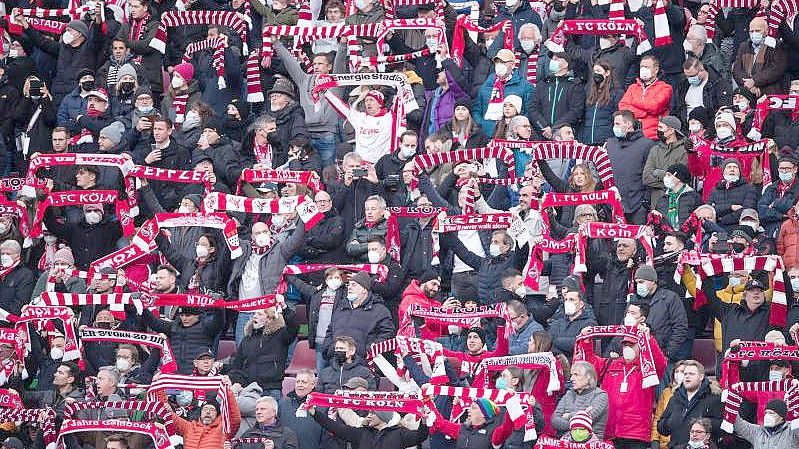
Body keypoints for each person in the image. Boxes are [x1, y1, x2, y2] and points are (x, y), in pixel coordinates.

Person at [577, 321, 667, 449]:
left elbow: (660, 363)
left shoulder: (647, 367)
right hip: (610, 431)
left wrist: (649, 340)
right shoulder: (611, 364)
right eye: (624, 344)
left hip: (635, 433)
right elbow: (590, 365)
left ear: (640, 346)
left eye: (631, 344)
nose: (627, 347)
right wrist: (586, 343)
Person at [227, 306, 298, 401]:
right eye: (255, 313)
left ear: (269, 319)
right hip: (250, 389)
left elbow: (293, 326)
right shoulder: (247, 339)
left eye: (259, 314)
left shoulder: (280, 335)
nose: (254, 316)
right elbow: (237, 365)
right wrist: (222, 368)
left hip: (271, 389)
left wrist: (284, 307)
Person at [308, 400, 429, 449]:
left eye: (373, 413)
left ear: (383, 416)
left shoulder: (400, 433)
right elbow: (336, 428)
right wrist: (314, 413)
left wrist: (424, 421)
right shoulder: (361, 433)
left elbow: (420, 436)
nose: (369, 415)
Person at [657, 360, 723, 448]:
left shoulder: (714, 397)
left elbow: (722, 427)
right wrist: (670, 422)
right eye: (685, 374)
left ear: (701, 376)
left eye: (691, 374)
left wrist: (704, 423)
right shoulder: (675, 398)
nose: (687, 376)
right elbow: (661, 427)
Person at [606, 110, 656, 224]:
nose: (614, 127)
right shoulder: (610, 145)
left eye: (617, 124)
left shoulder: (647, 145)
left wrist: (645, 202)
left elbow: (649, 174)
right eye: (614, 124)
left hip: (637, 207)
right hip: (612, 205)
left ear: (628, 124)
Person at [163, 377, 241, 449]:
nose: (208, 412)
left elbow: (234, 418)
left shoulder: (224, 429)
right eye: (205, 409)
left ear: (217, 415)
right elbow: (172, 418)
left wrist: (228, 391)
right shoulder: (190, 427)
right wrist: (159, 387)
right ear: (200, 414)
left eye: (212, 410)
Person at [473, 49, 534, 137]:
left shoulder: (525, 86)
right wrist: (482, 124)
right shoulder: (487, 85)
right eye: (497, 62)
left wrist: (514, 127)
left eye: (503, 62)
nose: (499, 65)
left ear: (512, 65)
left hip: (511, 135)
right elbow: (476, 109)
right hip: (486, 133)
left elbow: (528, 111)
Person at [529, 52, 585, 140]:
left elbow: (576, 111)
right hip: (541, 134)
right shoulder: (543, 83)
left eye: (556, 59)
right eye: (552, 59)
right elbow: (533, 108)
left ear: (566, 64)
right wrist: (543, 126)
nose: (552, 61)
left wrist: (555, 128)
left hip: (563, 136)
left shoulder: (575, 85)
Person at [618, 55, 673, 140]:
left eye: (646, 67)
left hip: (653, 137)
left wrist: (634, 101)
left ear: (656, 70)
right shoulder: (632, 87)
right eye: (641, 67)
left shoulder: (665, 88)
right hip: (632, 135)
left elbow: (654, 107)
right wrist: (643, 113)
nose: (643, 69)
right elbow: (622, 106)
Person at [552, 361, 609, 440]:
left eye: (576, 375)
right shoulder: (569, 394)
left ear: (588, 377)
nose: (571, 379)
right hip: (565, 443)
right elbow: (554, 421)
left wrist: (568, 415)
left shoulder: (600, 395)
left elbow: (588, 417)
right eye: (572, 375)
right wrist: (578, 422)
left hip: (590, 444)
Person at [732, 17, 787, 96]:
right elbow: (737, 70)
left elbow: (776, 70)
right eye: (751, 31)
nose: (754, 33)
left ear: (766, 31)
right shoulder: (744, 46)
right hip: (748, 91)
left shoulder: (776, 45)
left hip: (769, 91)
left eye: (758, 31)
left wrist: (754, 81)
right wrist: (749, 85)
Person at [643, 116, 690, 210]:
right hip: (656, 203)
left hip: (677, 203)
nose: (658, 130)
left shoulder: (684, 150)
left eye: (661, 127)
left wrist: (658, 173)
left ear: (672, 130)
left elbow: (679, 179)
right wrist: (667, 181)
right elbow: (646, 178)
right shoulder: (654, 149)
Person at [278, 369, 322, 449]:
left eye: (304, 382)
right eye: (298, 382)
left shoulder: (321, 406)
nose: (300, 385)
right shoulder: (283, 404)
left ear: (312, 385)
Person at [757, 157, 799, 238]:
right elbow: (762, 212)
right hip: (771, 231)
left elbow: (794, 209)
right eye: (781, 168)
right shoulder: (771, 188)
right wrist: (781, 215)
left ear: (795, 169)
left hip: (793, 232)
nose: (784, 171)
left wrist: (775, 203)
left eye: (788, 168)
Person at [733, 398, 799, 449]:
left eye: (771, 413)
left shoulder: (792, 430)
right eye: (766, 413)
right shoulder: (758, 431)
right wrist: (730, 401)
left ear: (781, 416)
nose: (767, 416)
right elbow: (739, 425)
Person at [549, 290, 598, 358]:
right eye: (566, 299)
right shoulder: (556, 323)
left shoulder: (590, 323)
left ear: (581, 304)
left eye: (571, 299)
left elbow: (581, 346)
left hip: (578, 364)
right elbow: (550, 344)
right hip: (558, 363)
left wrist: (557, 341)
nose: (567, 302)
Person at [653, 164, 702, 229]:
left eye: (669, 175)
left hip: (686, 236)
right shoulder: (663, 199)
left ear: (678, 178)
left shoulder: (693, 197)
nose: (665, 177)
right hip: (666, 236)